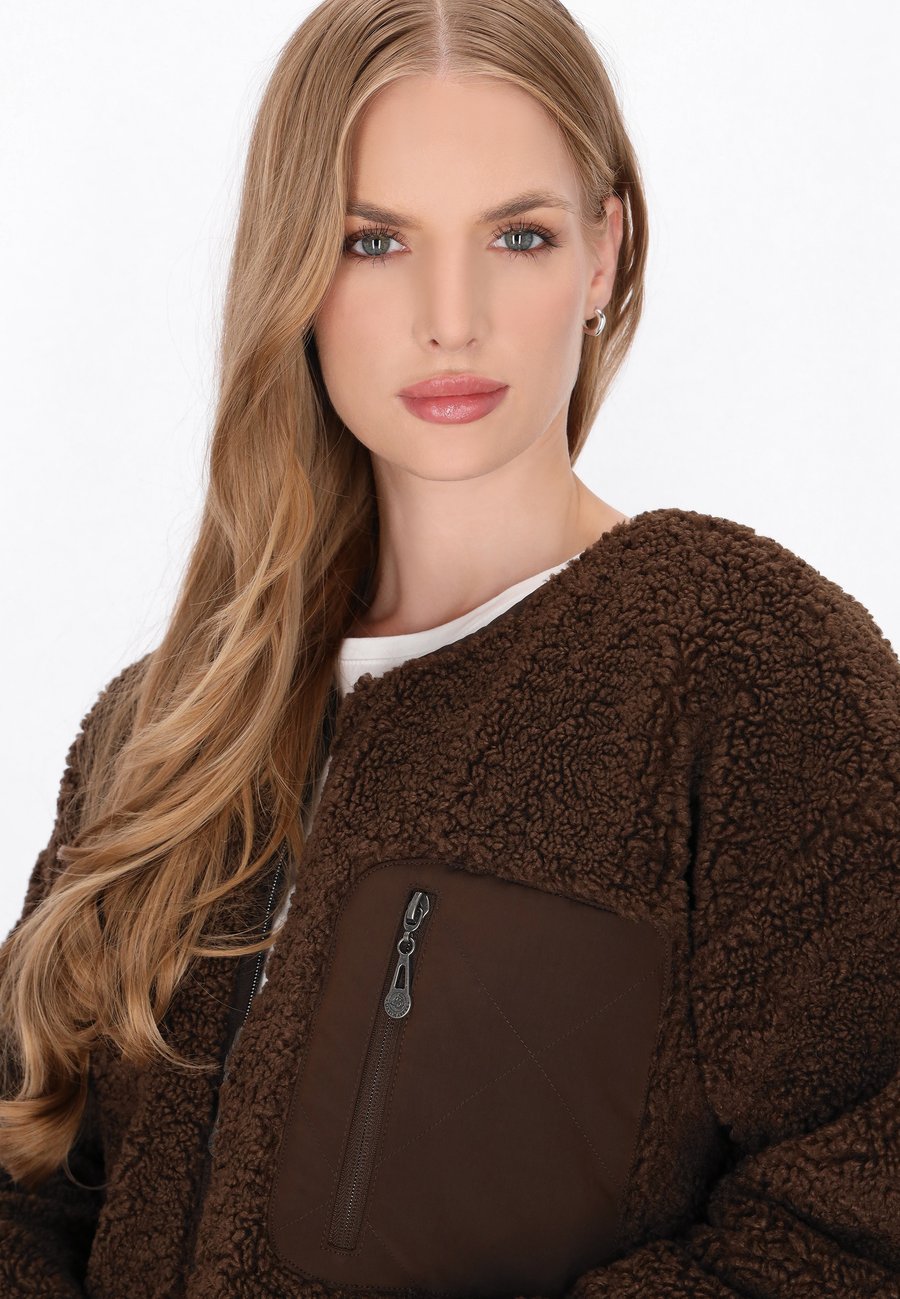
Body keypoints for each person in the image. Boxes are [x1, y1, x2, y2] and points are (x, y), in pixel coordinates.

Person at [2, 1, 898, 1295]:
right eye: (374, 241)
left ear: (605, 252)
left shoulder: (742, 669)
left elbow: (861, 1212)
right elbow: (23, 1171)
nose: (451, 317)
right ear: (296, 269)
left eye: (518, 236)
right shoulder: (164, 726)